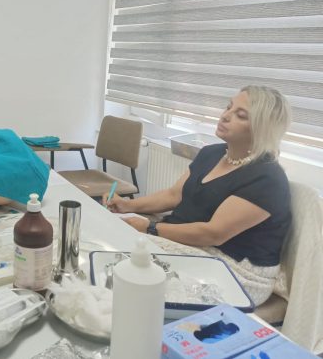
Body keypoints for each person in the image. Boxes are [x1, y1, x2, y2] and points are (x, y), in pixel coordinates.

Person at [104, 86, 292, 305]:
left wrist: (150, 228)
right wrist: (127, 205)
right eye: (228, 107)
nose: (225, 116)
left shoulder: (267, 178)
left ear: (262, 128)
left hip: (236, 270)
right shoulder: (212, 153)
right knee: (113, 240)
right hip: (195, 243)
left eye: (240, 115)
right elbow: (173, 195)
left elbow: (213, 234)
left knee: (125, 261)